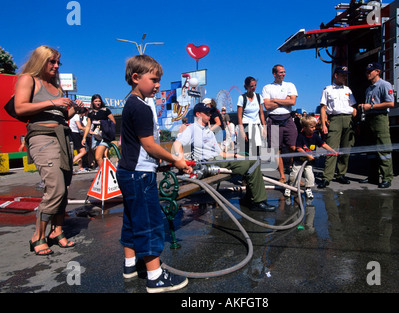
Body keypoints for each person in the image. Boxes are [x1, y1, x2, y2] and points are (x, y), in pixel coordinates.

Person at [117, 55, 192, 293]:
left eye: (159, 80)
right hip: (140, 175)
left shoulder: (131, 103)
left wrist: (160, 161)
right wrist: (176, 160)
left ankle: (131, 265)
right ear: (136, 78)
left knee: (131, 219)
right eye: (154, 79)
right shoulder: (140, 107)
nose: (158, 84)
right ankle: (155, 276)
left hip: (128, 171)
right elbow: (149, 145)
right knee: (149, 222)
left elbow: (138, 145)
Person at [14, 45, 82, 255]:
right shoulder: (28, 79)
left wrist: (74, 109)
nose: (55, 66)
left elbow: (61, 116)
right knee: (55, 188)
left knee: (64, 188)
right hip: (42, 138)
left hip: (62, 137)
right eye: (51, 61)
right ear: (40, 61)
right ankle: (38, 236)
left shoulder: (57, 87)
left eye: (57, 62)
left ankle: (57, 231)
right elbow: (20, 108)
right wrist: (52, 101)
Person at [173, 102, 276, 212]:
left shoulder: (209, 132)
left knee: (253, 159)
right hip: (207, 163)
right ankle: (257, 201)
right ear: (198, 114)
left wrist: (236, 155)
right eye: (206, 112)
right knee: (251, 163)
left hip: (218, 159)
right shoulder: (192, 128)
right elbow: (177, 144)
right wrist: (182, 162)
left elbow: (221, 154)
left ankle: (251, 199)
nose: (210, 114)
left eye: (210, 112)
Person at [318, 66, 357, 188]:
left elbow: (353, 105)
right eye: (342, 75)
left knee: (346, 149)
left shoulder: (348, 90)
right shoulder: (327, 89)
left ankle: (341, 174)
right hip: (334, 119)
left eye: (346, 75)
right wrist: (323, 124)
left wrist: (354, 116)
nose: (345, 77)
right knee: (332, 149)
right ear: (336, 75)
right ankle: (327, 177)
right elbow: (323, 108)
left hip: (348, 119)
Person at [358, 62, 395, 188]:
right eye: (367, 72)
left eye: (370, 71)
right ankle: (373, 176)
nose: (367, 74)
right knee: (371, 149)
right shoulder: (369, 89)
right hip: (370, 118)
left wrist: (371, 106)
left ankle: (387, 177)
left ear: (378, 71)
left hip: (380, 118)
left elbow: (390, 103)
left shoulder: (385, 85)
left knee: (384, 148)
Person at [262, 65, 298, 183]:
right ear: (274, 74)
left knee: (294, 146)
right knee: (276, 150)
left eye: (284, 72)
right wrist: (284, 101)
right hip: (274, 119)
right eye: (281, 72)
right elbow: (267, 106)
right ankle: (282, 176)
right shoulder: (267, 88)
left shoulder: (290, 85)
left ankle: (293, 172)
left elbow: (292, 101)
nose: (283, 74)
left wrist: (275, 100)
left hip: (287, 118)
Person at [288, 115, 337, 199]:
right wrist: (308, 155)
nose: (314, 129)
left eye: (314, 127)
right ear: (304, 128)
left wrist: (332, 151)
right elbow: (299, 149)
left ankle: (308, 189)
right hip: (298, 161)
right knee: (294, 175)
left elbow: (323, 144)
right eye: (311, 127)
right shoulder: (300, 136)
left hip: (308, 162)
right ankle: (290, 187)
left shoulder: (315, 136)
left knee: (309, 175)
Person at [81, 94, 116, 168]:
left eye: (99, 101)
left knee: (98, 157)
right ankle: (107, 171)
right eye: (96, 101)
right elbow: (88, 126)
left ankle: (105, 173)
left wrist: (103, 122)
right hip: (95, 137)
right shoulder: (91, 113)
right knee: (102, 157)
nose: (98, 103)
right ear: (93, 102)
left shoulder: (105, 110)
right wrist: (84, 137)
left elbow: (113, 122)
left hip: (104, 136)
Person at [237, 76, 267, 157]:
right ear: (246, 86)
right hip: (246, 124)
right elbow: (239, 116)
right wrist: (242, 131)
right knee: (246, 150)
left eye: (255, 85)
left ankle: (256, 167)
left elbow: (261, 113)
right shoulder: (242, 98)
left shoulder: (258, 97)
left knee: (257, 149)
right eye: (251, 86)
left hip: (256, 125)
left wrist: (264, 127)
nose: (254, 87)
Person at [70, 107, 88, 173]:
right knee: (83, 151)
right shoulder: (77, 116)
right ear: (84, 113)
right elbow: (80, 127)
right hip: (75, 134)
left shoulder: (78, 117)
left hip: (75, 134)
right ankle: (70, 163)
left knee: (79, 152)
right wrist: (87, 129)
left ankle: (81, 168)